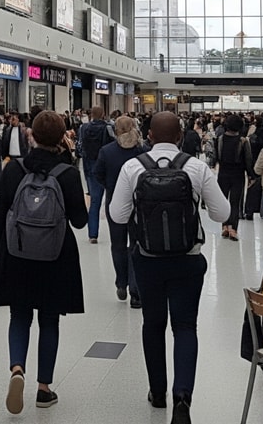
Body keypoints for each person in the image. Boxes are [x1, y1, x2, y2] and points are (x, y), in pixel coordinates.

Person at [108, 111, 228, 424]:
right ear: (180, 136)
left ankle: (157, 391)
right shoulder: (196, 166)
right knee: (185, 326)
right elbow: (222, 213)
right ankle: (183, 397)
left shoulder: (133, 167)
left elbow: (118, 216)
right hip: (188, 259)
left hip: (147, 260)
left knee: (153, 323)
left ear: (148, 136)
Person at [0, 110, 86, 414]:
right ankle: (44, 389)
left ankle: (17, 369)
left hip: (16, 252)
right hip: (56, 256)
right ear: (63, 137)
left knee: (20, 315)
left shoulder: (13, 170)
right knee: (49, 320)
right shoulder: (68, 173)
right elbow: (80, 222)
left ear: (32, 135)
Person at [96, 115, 150, 306]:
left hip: (115, 201)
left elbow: (98, 175)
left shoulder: (107, 151)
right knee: (136, 244)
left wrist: (111, 188)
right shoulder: (144, 150)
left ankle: (121, 282)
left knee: (117, 244)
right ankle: (136, 291)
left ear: (116, 130)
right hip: (140, 202)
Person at [77, 107, 111, 244]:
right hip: (104, 166)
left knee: (94, 201)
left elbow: (81, 147)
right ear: (103, 114)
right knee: (110, 200)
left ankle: (92, 234)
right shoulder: (107, 128)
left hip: (89, 166)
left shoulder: (83, 128)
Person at [213, 115, 250, 242]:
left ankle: (224, 226)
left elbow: (215, 157)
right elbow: (248, 160)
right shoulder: (243, 141)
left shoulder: (219, 139)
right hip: (238, 175)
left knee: (223, 201)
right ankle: (233, 229)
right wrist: (251, 175)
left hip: (223, 174)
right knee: (235, 202)